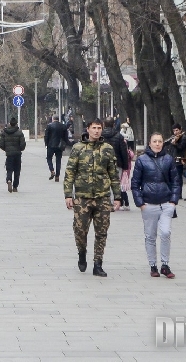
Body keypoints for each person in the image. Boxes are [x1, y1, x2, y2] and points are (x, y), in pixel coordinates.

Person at [63, 118, 121, 277]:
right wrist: (68, 194)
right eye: (94, 127)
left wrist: (117, 196)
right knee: (80, 230)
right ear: (88, 129)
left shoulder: (107, 149)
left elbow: (113, 174)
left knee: (102, 232)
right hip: (82, 198)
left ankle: (98, 263)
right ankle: (82, 253)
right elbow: (70, 173)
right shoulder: (78, 148)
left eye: (99, 128)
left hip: (102, 197)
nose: (97, 131)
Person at [131, 132, 181, 279]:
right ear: (150, 143)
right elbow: (135, 184)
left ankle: (165, 264)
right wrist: (140, 203)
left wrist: (173, 201)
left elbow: (175, 182)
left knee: (165, 233)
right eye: (155, 141)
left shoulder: (168, 159)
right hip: (149, 204)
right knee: (150, 236)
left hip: (166, 203)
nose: (158, 144)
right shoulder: (142, 160)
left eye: (160, 141)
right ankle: (153, 265)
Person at [102, 118, 130, 209]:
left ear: (104, 124)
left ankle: (107, 201)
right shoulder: (119, 136)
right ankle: (116, 202)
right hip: (117, 163)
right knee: (116, 183)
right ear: (114, 125)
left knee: (104, 182)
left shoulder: (100, 136)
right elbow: (124, 152)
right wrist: (125, 165)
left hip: (103, 163)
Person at [0, 117, 26, 193]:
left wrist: (6, 149)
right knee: (17, 170)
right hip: (17, 154)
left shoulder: (5, 133)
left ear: (9, 124)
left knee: (9, 169)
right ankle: (15, 187)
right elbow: (23, 144)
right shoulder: (20, 133)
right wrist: (20, 149)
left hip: (9, 154)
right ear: (16, 124)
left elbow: (1, 144)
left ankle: (9, 179)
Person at [44, 115, 68, 182]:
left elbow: (46, 136)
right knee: (58, 161)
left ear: (53, 119)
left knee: (49, 158)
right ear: (58, 119)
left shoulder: (49, 126)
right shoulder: (63, 126)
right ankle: (57, 176)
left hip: (51, 145)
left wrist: (46, 144)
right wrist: (66, 144)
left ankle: (52, 170)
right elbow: (66, 137)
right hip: (59, 146)